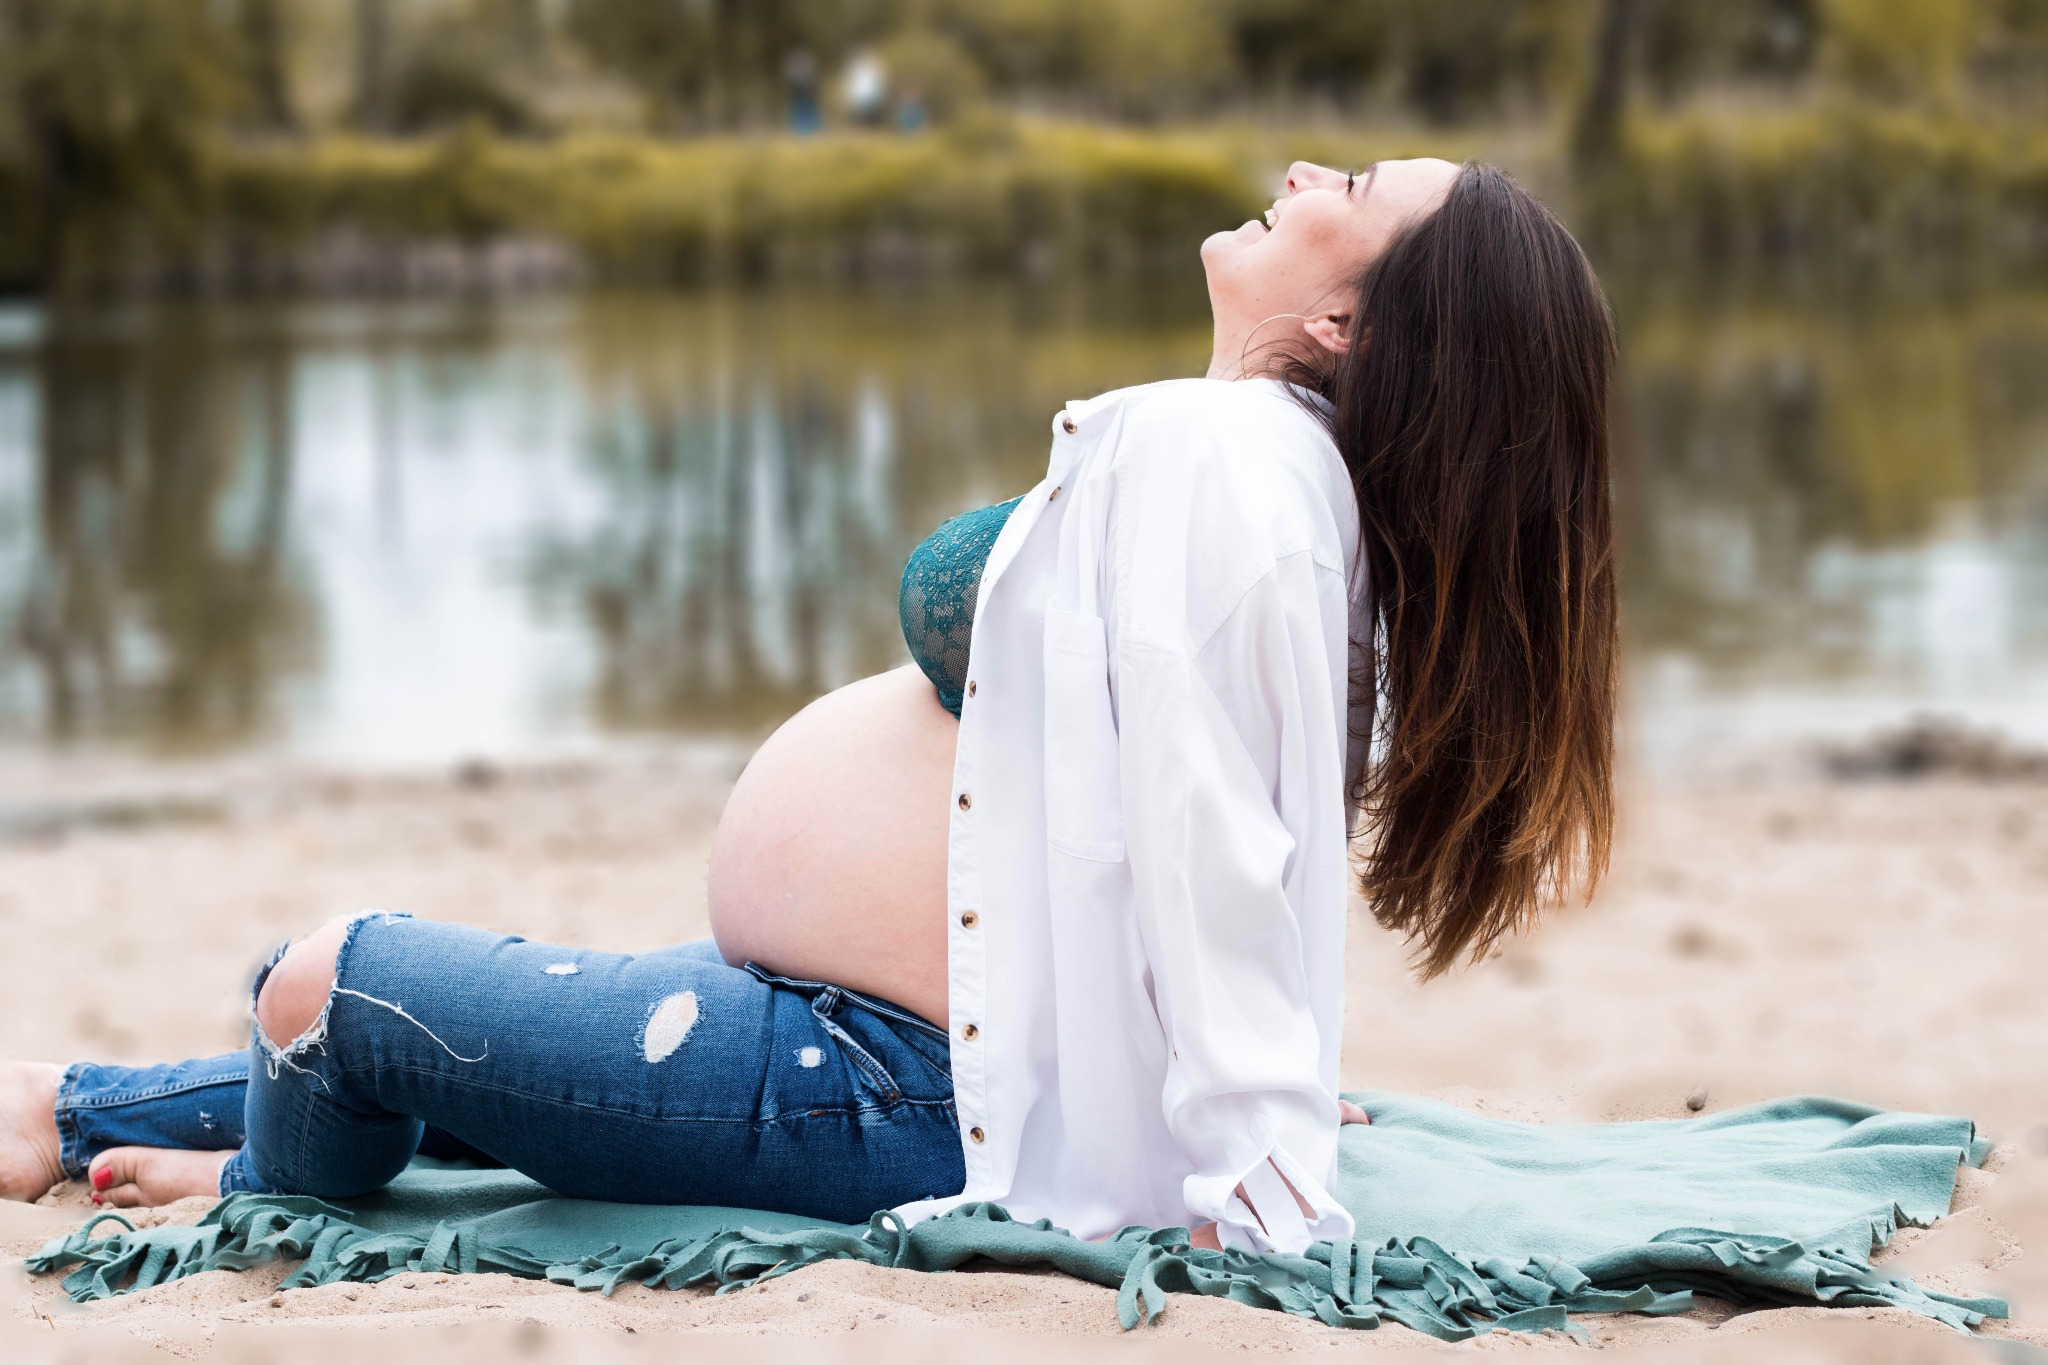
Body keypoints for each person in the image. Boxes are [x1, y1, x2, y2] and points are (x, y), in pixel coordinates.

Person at [0, 159, 1618, 1255]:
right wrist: (1240, 1074)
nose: (1306, 171)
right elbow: (1237, 808)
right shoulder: (1274, 478)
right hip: (858, 1028)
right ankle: (67, 1112)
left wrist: (1255, 1152)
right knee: (390, 1010)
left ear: (1347, 323)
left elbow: (1216, 839)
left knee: (326, 982)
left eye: (1354, 189)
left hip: (884, 1083)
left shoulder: (1226, 468)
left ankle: (273, 1175)